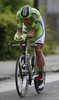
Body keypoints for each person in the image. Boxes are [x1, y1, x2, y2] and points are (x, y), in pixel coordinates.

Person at [14, 5, 45, 90]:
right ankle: (24, 59)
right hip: (27, 29)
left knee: (38, 50)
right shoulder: (18, 15)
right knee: (21, 39)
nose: (25, 21)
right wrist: (17, 36)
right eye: (23, 19)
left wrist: (24, 36)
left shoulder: (35, 14)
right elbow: (19, 31)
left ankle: (40, 78)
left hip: (38, 29)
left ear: (30, 16)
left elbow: (31, 34)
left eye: (27, 19)